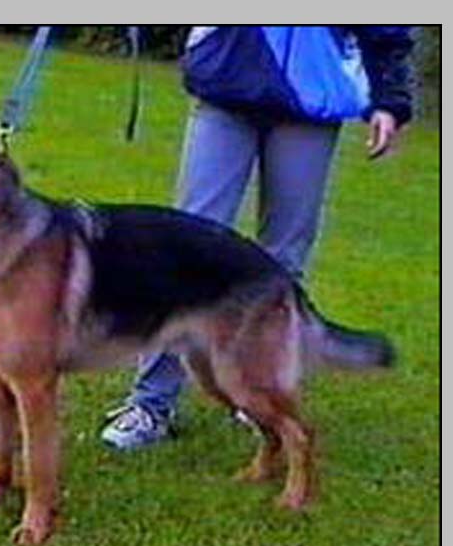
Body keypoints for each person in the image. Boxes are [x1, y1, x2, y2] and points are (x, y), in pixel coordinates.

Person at [101, 25, 414, 450]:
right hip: (227, 82)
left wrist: (390, 101)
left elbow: (386, 27)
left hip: (311, 97)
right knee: (184, 256)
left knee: (283, 263)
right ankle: (151, 404)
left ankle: (260, 396)